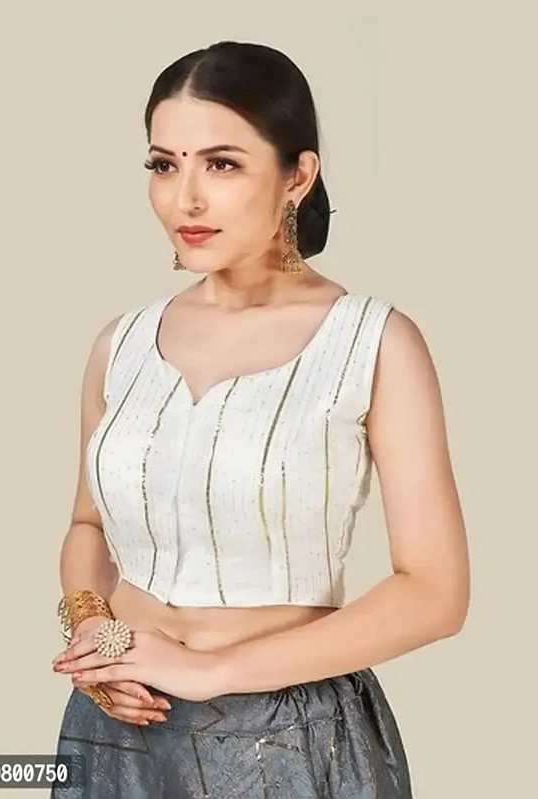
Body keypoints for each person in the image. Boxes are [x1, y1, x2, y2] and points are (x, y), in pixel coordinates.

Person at [50, 40, 469, 798]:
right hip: (118, 729)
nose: (185, 199)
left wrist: (209, 670)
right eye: (164, 165)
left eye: (222, 164)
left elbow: (435, 592)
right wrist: (92, 633)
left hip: (287, 737)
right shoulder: (121, 343)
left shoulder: (371, 341)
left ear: (297, 176)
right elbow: (88, 525)